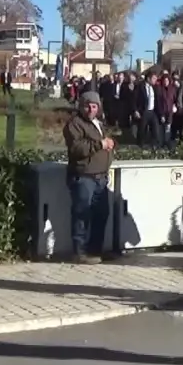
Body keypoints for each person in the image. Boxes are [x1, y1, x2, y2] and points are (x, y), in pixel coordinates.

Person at [62, 91, 116, 264]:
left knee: (101, 214)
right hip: (84, 176)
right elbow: (77, 149)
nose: (91, 109)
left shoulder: (98, 123)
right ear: (81, 106)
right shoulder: (74, 124)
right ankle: (80, 252)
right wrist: (100, 144)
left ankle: (96, 251)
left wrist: (109, 145)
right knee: (81, 214)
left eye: (94, 106)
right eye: (88, 106)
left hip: (101, 177)